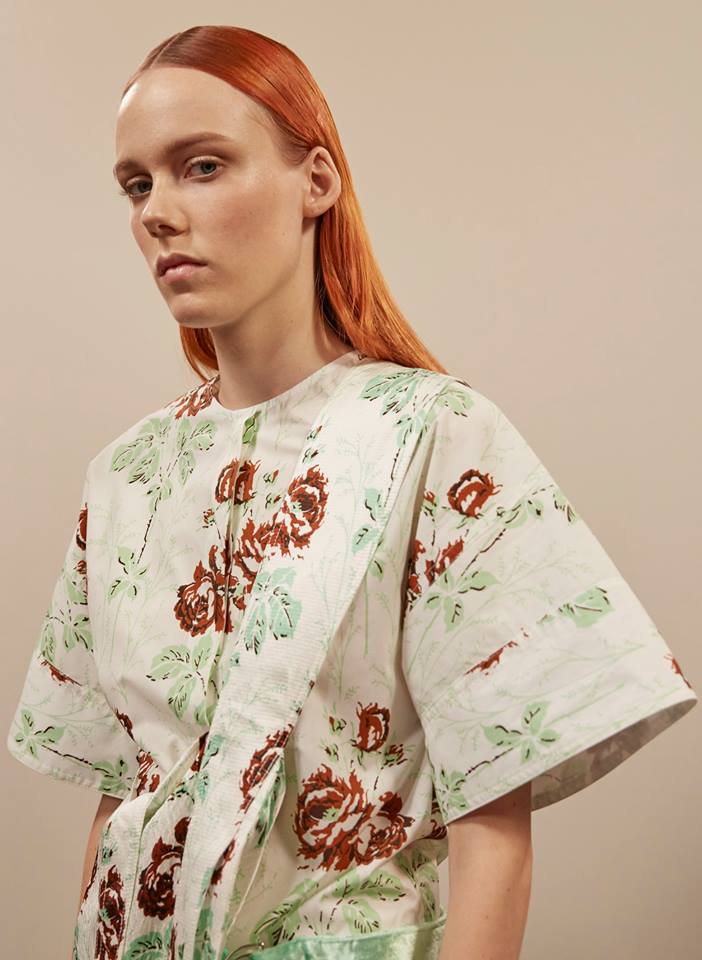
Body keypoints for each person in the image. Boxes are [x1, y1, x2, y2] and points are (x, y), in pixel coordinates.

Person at [6, 24, 697, 960]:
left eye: (202, 166)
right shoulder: (125, 475)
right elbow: (125, 793)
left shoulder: (433, 436)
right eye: (137, 184)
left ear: (316, 181)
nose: (159, 212)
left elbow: (494, 829)